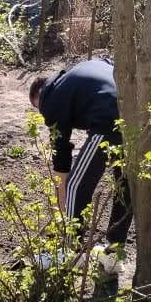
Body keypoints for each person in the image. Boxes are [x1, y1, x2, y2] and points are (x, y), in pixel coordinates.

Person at [30, 58, 132, 267]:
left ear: (40, 95)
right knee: (125, 186)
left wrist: (60, 205)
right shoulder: (84, 70)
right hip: (134, 119)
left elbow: (61, 156)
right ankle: (114, 256)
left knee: (75, 185)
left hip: (106, 121)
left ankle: (70, 254)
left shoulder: (50, 97)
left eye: (37, 108)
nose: (43, 114)